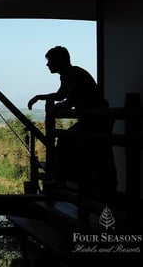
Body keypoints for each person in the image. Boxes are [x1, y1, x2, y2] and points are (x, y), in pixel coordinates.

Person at [28, 46, 117, 201]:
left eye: (49, 61)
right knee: (97, 152)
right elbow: (61, 95)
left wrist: (54, 106)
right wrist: (39, 97)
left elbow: (69, 101)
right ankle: (83, 183)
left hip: (97, 119)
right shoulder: (68, 75)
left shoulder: (74, 75)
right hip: (94, 118)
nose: (47, 65)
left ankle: (71, 181)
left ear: (58, 61)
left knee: (78, 146)